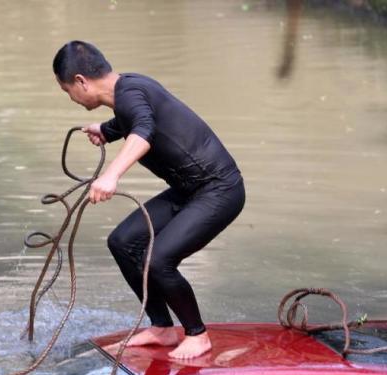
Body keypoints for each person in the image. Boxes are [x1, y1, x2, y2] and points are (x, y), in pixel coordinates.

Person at [53, 41, 245, 359]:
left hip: (218, 190)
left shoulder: (129, 94)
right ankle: (162, 328)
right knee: (123, 241)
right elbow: (137, 120)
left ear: (81, 81)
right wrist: (106, 130)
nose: (71, 99)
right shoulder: (129, 90)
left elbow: (143, 130)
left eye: (67, 91)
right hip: (188, 191)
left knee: (158, 261)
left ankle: (198, 335)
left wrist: (111, 175)